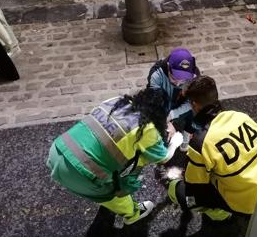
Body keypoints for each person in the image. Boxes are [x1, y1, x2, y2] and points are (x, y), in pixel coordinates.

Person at [46, 89, 183, 226]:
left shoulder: (115, 101)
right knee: (113, 194)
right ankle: (132, 214)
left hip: (58, 149)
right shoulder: (147, 129)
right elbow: (163, 158)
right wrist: (175, 142)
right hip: (80, 175)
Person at [167, 76, 257, 221]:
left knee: (177, 189)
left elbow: (194, 186)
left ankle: (219, 213)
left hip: (247, 205)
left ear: (195, 105)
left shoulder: (201, 141)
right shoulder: (240, 116)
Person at [147, 47, 200, 151]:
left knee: (196, 111)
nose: (179, 83)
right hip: (163, 103)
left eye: (184, 78)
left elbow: (192, 102)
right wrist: (166, 121)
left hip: (181, 102)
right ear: (168, 67)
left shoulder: (195, 75)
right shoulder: (156, 74)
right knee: (163, 139)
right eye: (175, 77)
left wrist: (173, 114)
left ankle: (187, 135)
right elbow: (154, 102)